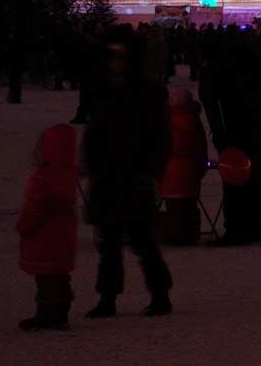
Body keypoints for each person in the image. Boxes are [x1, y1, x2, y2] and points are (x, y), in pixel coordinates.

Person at [82, 35, 173, 316]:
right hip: (108, 175)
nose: (115, 63)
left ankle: (160, 294)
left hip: (133, 176)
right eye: (111, 57)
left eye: (120, 58)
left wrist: (149, 171)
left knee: (141, 239)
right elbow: (95, 132)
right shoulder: (104, 91)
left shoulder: (143, 92)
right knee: (109, 243)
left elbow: (157, 135)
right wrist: (91, 162)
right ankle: (107, 298)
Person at [201, 34, 261, 245]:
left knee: (236, 181)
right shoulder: (258, 76)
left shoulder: (227, 76)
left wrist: (221, 138)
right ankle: (260, 227)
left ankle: (238, 228)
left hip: (238, 135)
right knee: (258, 181)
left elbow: (215, 109)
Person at [16, 123, 80, 331]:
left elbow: (35, 209)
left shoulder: (42, 179)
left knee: (45, 279)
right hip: (64, 233)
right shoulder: (70, 173)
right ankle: (62, 309)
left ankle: (45, 313)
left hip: (44, 237)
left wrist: (23, 226)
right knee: (60, 275)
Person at [159, 85, 209, 245]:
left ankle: (177, 235)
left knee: (174, 208)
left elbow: (162, 147)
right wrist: (201, 167)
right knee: (190, 205)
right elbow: (202, 146)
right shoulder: (195, 120)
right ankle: (192, 232)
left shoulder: (167, 122)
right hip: (191, 167)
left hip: (171, 168)